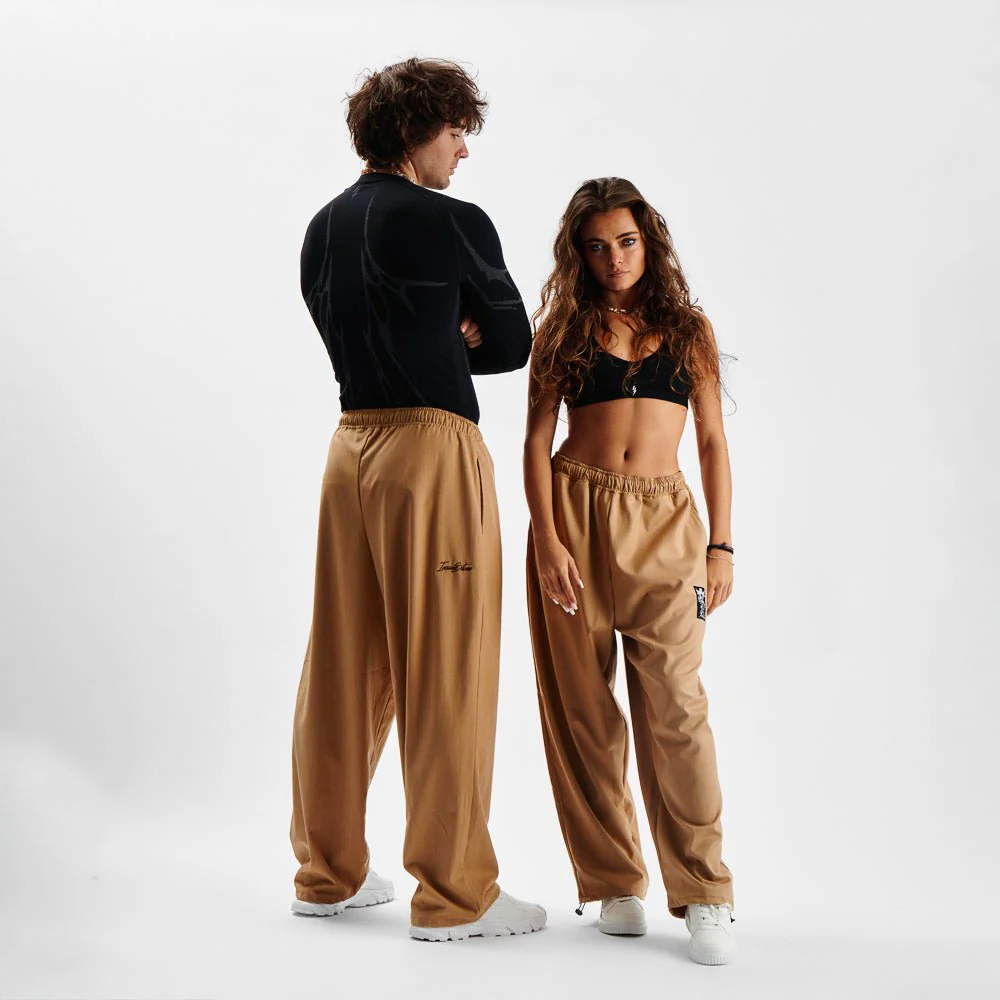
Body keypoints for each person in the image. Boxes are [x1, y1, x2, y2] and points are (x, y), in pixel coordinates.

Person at [290, 57, 546, 942]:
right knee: (447, 663)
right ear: (414, 130)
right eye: (455, 131)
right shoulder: (453, 222)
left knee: (343, 661)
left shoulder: (321, 228)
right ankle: (455, 894)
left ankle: (326, 873)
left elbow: (352, 329)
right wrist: (455, 329)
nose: (463, 150)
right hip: (432, 450)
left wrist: (432, 327)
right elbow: (511, 340)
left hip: (348, 450)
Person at [523, 177, 736, 964]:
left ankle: (707, 891)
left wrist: (721, 546)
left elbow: (710, 441)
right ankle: (615, 880)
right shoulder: (563, 329)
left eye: (626, 241)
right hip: (574, 516)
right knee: (582, 709)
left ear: (649, 242)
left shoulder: (688, 329)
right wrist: (548, 541)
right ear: (579, 255)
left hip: (666, 525)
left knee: (678, 709)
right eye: (597, 246)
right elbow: (535, 440)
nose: (614, 259)